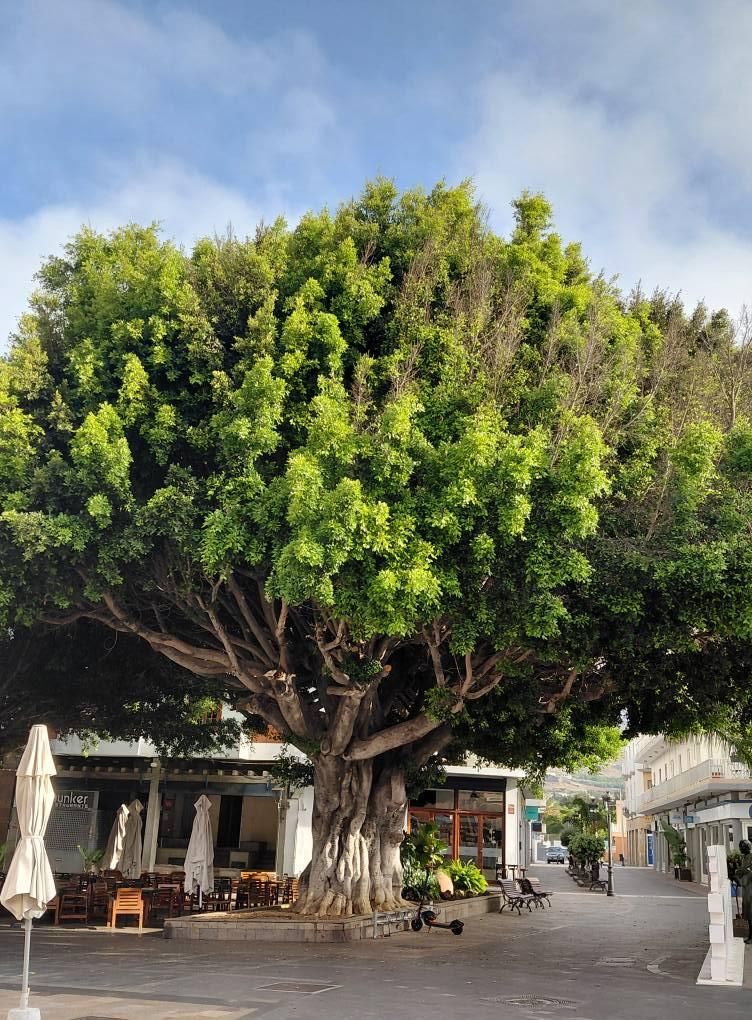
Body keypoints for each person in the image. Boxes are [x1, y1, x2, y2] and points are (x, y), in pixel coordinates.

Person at [735, 839, 752, 943]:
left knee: (750, 911)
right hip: (746, 887)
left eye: (742, 847)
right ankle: (749, 934)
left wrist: (743, 871)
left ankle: (751, 936)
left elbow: (748, 871)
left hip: (750, 887)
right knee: (746, 911)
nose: (740, 849)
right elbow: (742, 870)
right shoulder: (744, 858)